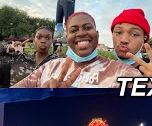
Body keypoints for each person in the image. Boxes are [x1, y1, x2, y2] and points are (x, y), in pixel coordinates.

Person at [12, 12, 144, 88]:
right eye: (74, 30)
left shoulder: (124, 72)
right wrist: (43, 96)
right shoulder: (49, 66)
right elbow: (10, 97)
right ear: (66, 37)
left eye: (87, 28)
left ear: (97, 34)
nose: (81, 34)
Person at [110, 9, 152, 79]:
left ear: (144, 40)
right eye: (118, 32)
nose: (124, 40)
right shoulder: (106, 69)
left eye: (134, 34)